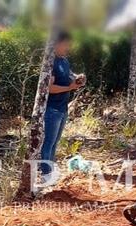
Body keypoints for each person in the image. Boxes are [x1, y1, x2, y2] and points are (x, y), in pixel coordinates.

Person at [40, 32, 85, 182]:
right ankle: (46, 175)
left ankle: (50, 172)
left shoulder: (64, 61)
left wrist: (78, 78)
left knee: (55, 142)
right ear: (58, 43)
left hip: (62, 108)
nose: (69, 47)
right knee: (48, 142)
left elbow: (70, 76)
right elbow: (49, 88)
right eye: (66, 44)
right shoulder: (50, 62)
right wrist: (69, 88)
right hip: (52, 109)